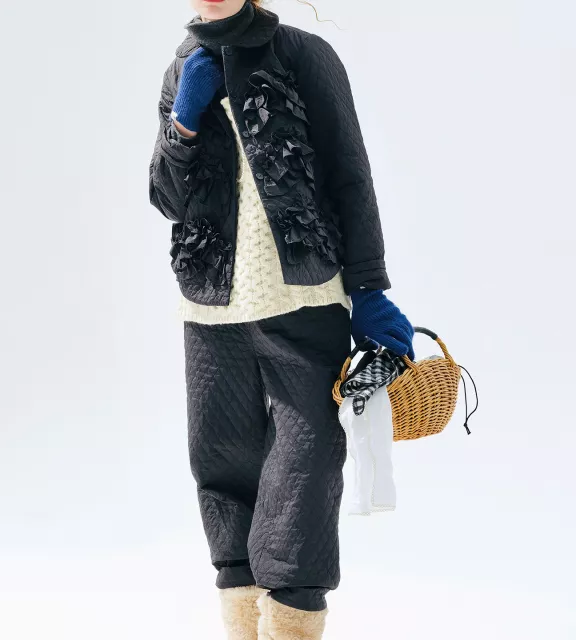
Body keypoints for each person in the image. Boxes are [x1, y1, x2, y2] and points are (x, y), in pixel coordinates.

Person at [149, 1, 414, 637]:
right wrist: (183, 123)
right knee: (220, 465)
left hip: (305, 297)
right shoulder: (182, 67)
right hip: (211, 306)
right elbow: (166, 197)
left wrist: (369, 289)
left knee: (306, 462)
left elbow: (350, 175)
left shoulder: (304, 55)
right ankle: (243, 625)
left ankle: (292, 623)